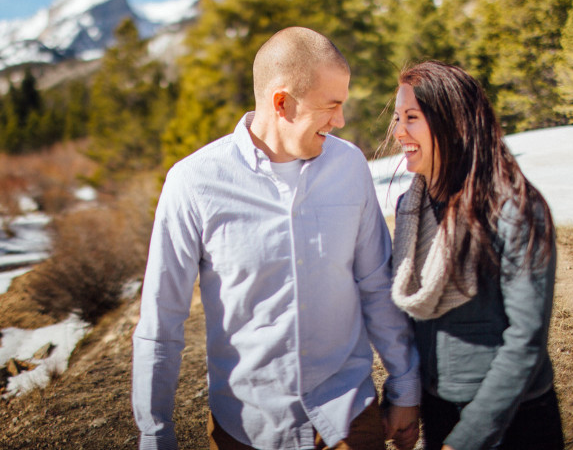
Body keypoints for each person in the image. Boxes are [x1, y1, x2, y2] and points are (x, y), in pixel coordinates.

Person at [132, 26, 420, 450]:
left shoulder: (350, 166)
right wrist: (155, 435)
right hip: (245, 429)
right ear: (281, 103)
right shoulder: (192, 182)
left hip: (348, 419)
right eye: (331, 106)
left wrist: (405, 386)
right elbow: (161, 321)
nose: (340, 121)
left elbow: (376, 285)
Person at [382, 60, 564, 450]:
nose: (398, 132)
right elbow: (406, 318)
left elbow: (526, 340)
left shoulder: (513, 209)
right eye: (397, 118)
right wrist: (403, 396)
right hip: (438, 408)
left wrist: (468, 438)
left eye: (411, 117)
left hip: (513, 420)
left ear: (451, 121)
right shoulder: (410, 208)